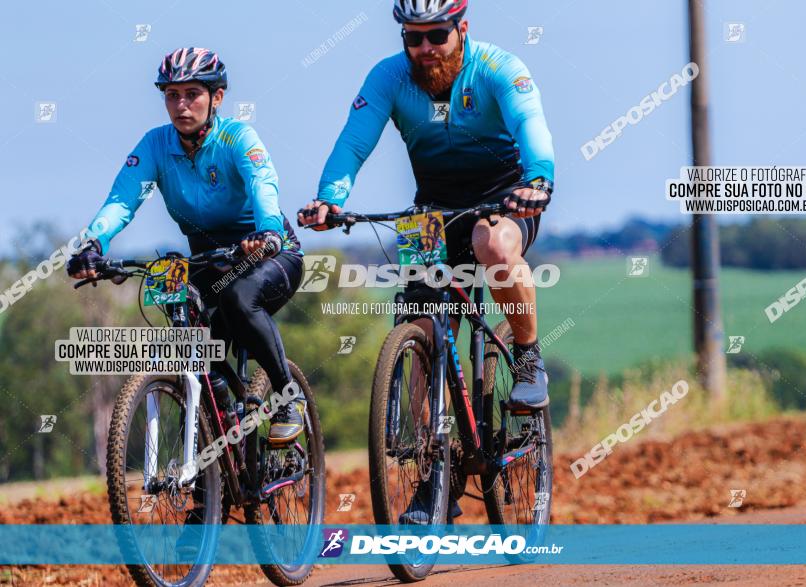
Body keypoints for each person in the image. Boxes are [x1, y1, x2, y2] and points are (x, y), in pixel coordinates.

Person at [298, 0, 555, 523]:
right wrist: (330, 198)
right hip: (433, 209)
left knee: (496, 249)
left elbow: (531, 128)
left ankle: (528, 357)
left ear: (462, 29)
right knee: (419, 329)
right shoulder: (390, 78)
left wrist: (539, 178)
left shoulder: (500, 69)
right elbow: (352, 145)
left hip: (503, 197)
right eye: (412, 39)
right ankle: (437, 474)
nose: (423, 49)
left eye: (435, 36)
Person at [66, 47, 307, 446]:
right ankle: (206, 489)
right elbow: (122, 201)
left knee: (238, 298)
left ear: (217, 97)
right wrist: (93, 243)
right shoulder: (156, 146)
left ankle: (287, 398)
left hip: (268, 250)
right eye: (171, 95)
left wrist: (266, 232)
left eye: (191, 93)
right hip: (207, 257)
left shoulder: (237, 137)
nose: (181, 105)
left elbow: (263, 183)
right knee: (193, 353)